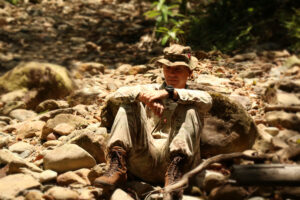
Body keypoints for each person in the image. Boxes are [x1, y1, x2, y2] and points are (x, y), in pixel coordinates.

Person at [94, 44, 212, 199]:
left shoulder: (194, 95)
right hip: (142, 158)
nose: (172, 73)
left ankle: (175, 174)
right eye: (168, 69)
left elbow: (207, 99)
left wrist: (171, 93)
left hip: (179, 166)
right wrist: (143, 97)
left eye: (178, 69)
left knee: (189, 109)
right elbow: (117, 93)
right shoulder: (151, 90)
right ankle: (117, 167)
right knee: (128, 103)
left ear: (189, 72)